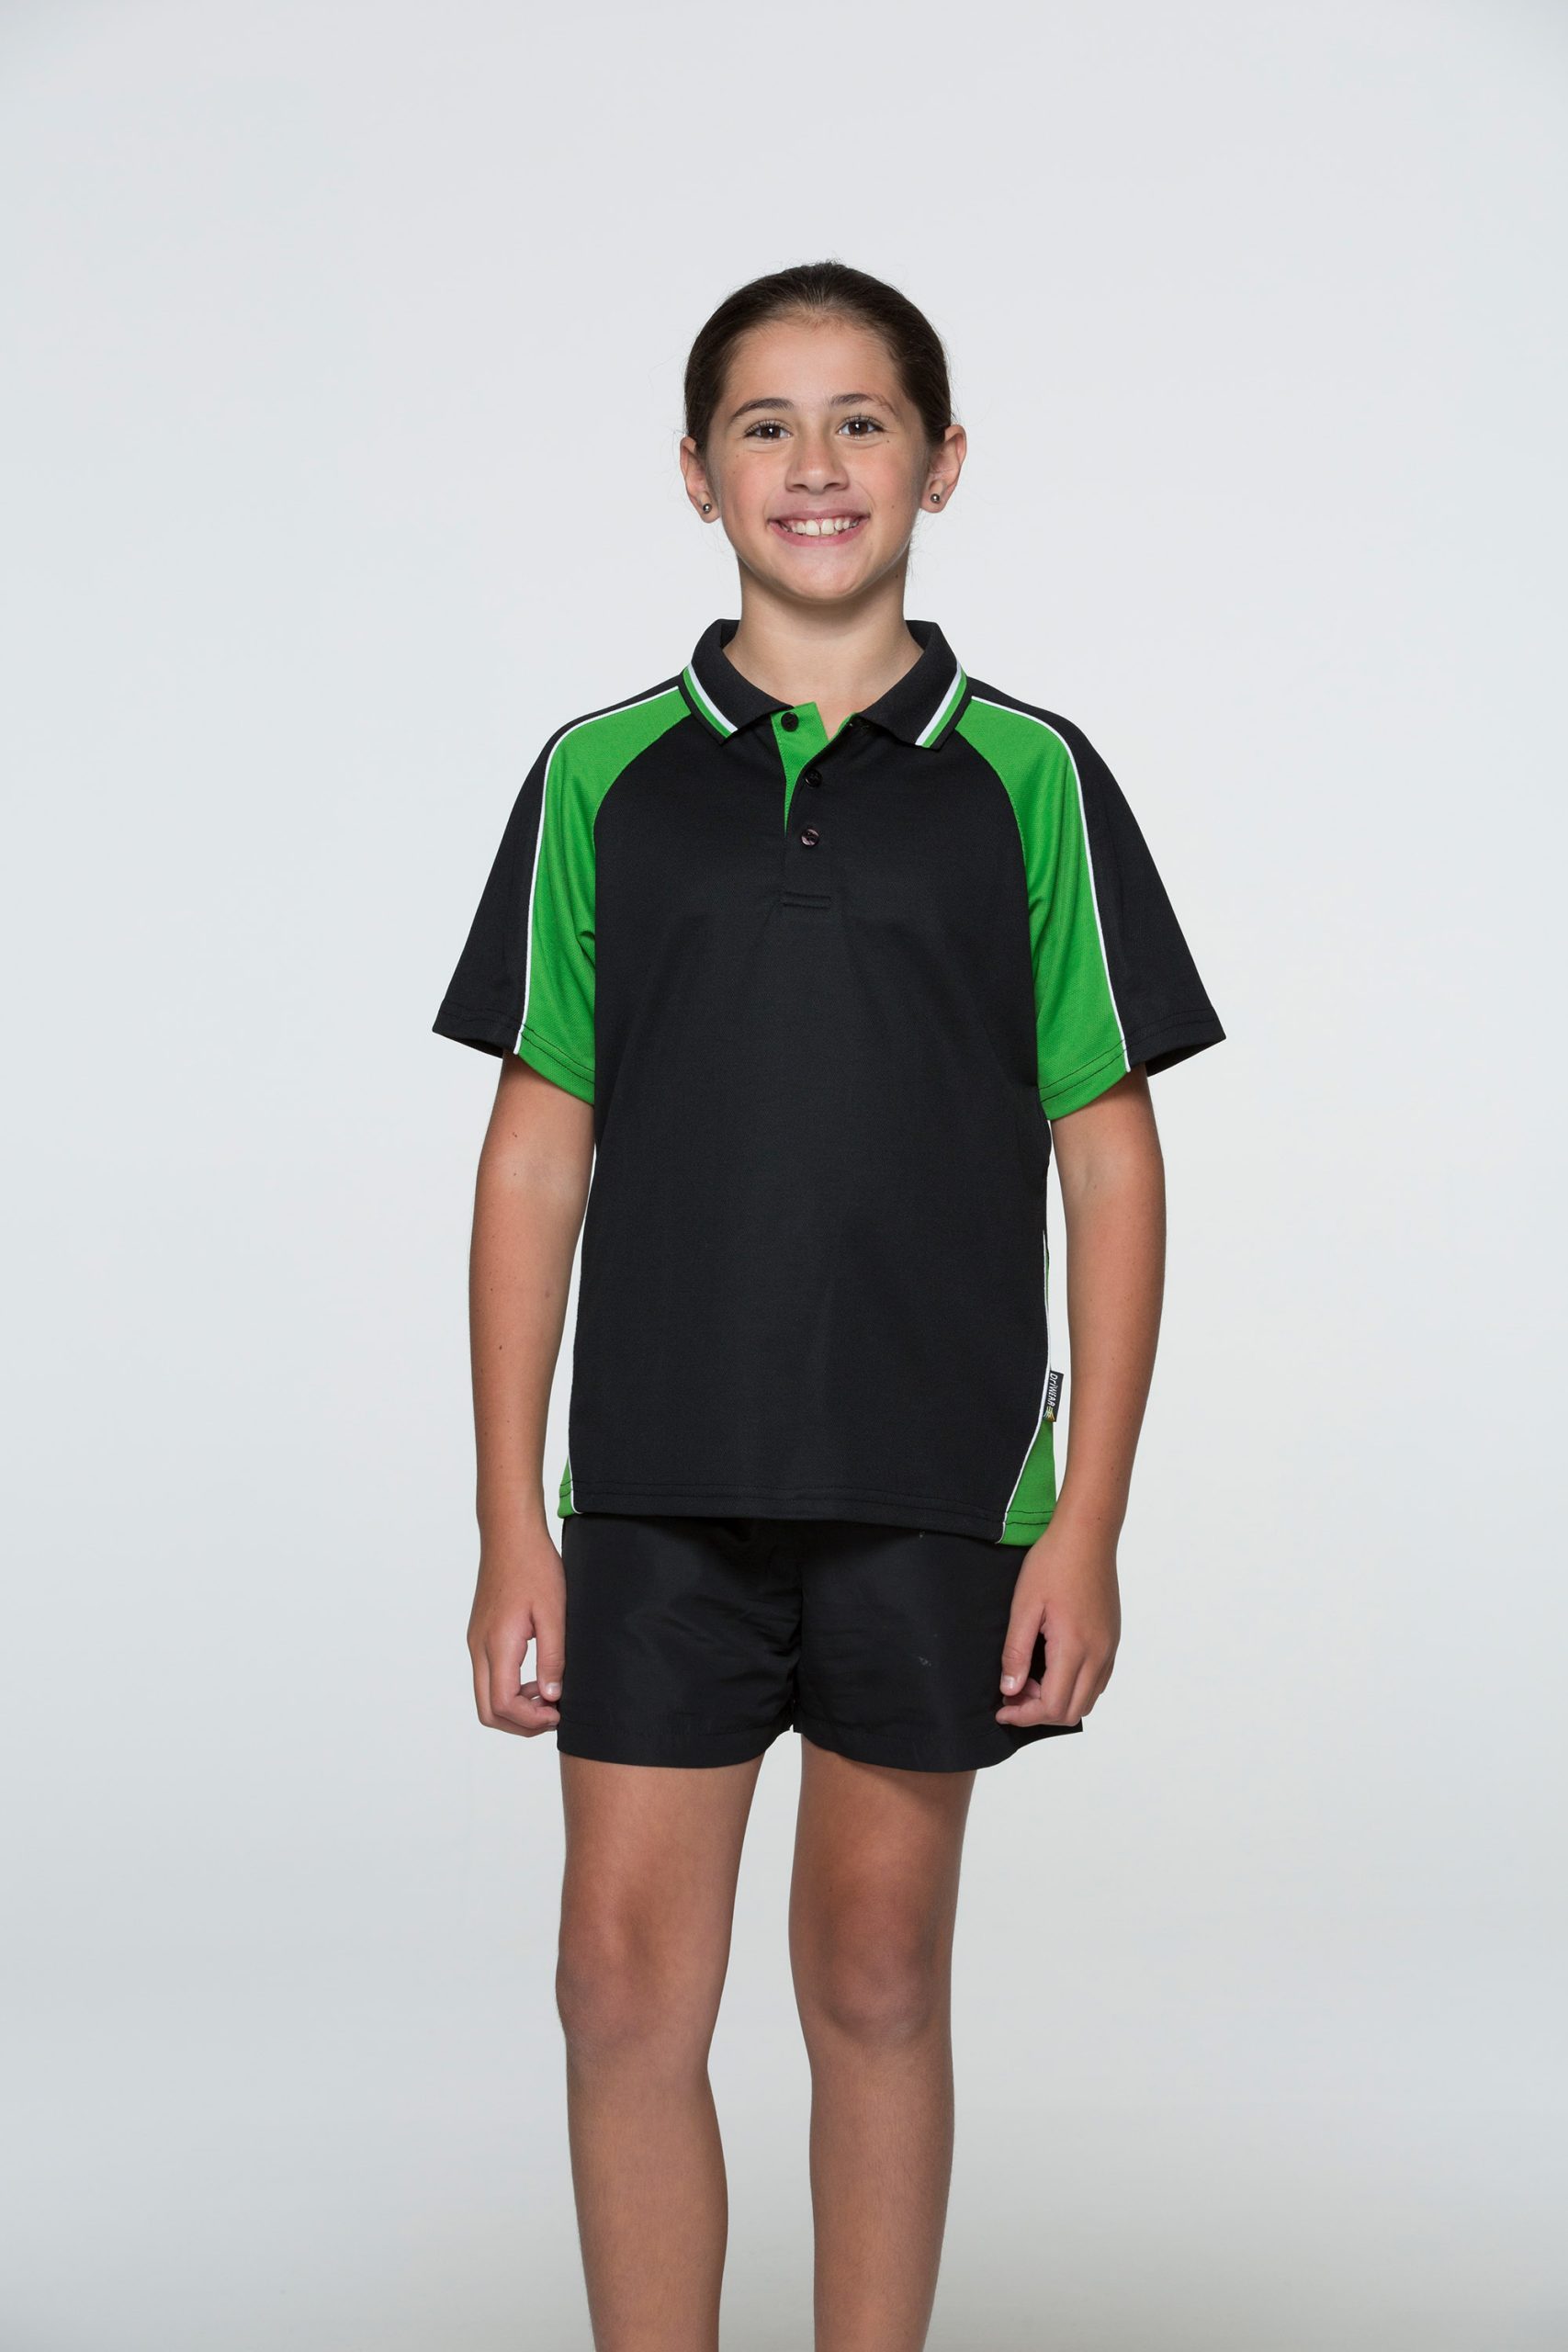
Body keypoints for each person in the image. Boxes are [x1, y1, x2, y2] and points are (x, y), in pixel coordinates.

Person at [432, 260, 1224, 2352]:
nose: (814, 461)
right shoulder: (601, 778)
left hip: (930, 1492)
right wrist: (512, 1516)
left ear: (941, 463)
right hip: (657, 1491)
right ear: (696, 474)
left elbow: (1110, 1158)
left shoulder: (1030, 779)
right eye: (763, 424)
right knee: (620, 1984)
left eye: (860, 419)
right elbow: (533, 1155)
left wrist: (1086, 1520)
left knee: (874, 1973)